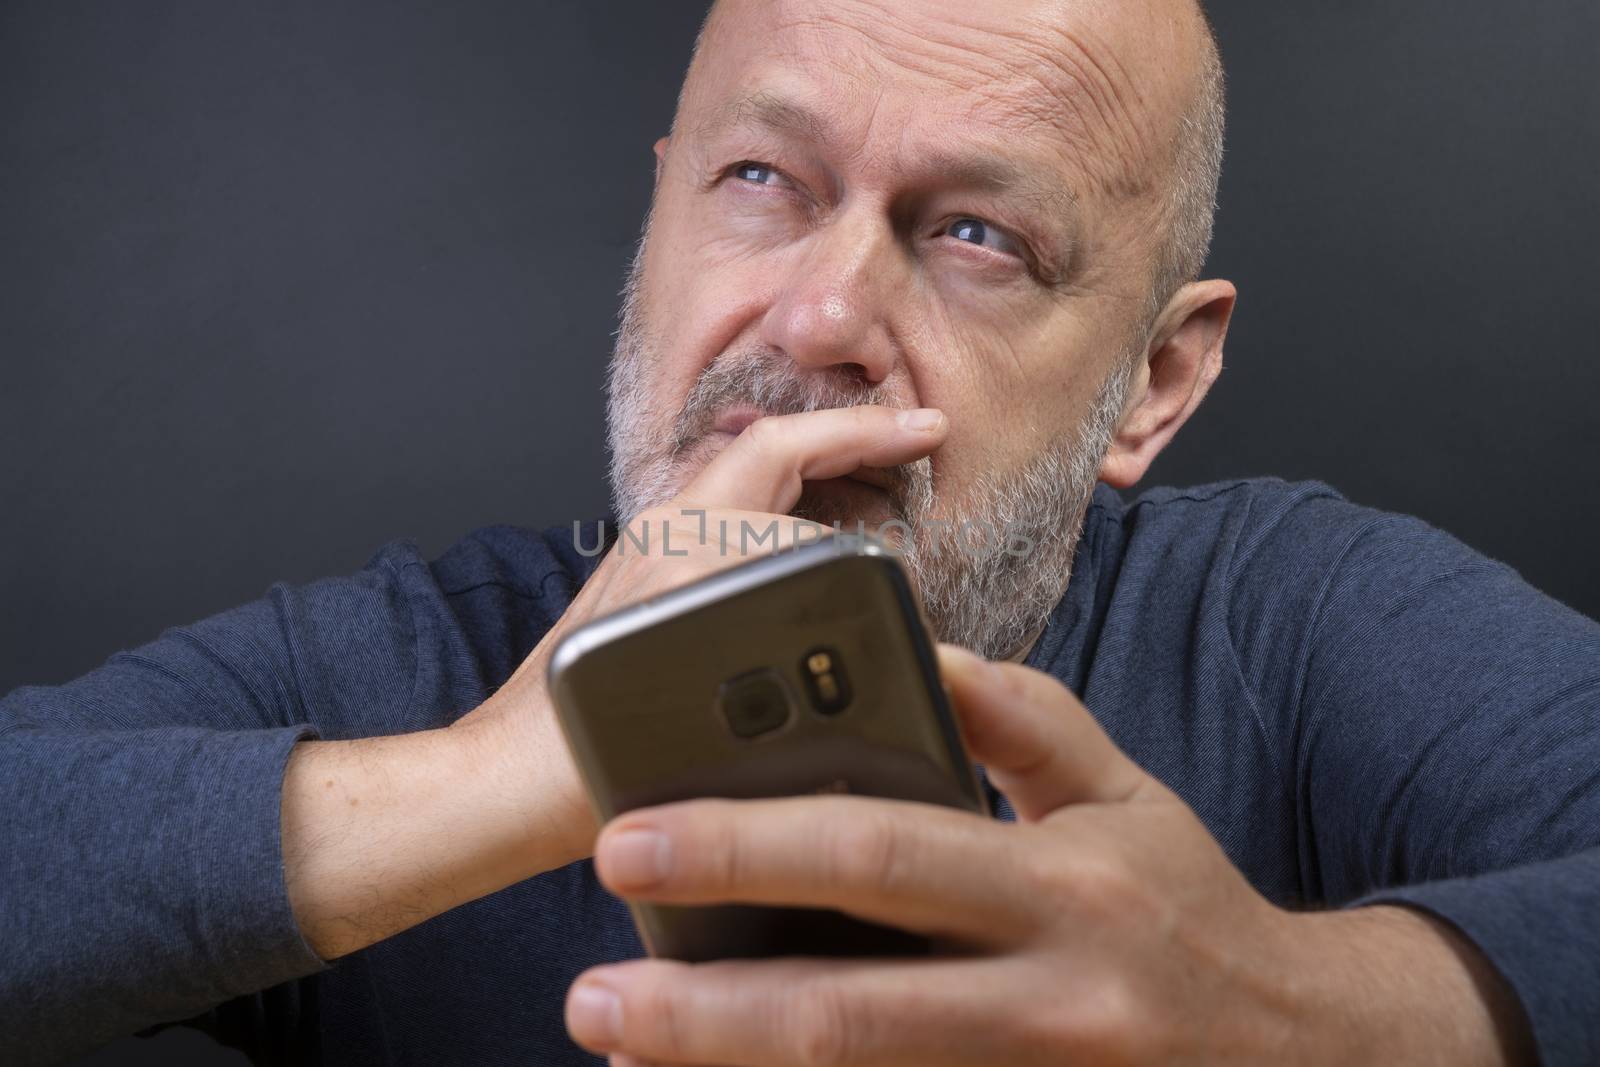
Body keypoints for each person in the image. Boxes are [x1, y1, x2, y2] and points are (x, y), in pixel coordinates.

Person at [4, 0, 1597, 1063]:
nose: (826, 315)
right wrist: (492, 776)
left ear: (1153, 384)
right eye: (760, 178)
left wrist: (1295, 1015)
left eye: (977, 234)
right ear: (662, 216)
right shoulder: (418, 657)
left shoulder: (1290, 626)